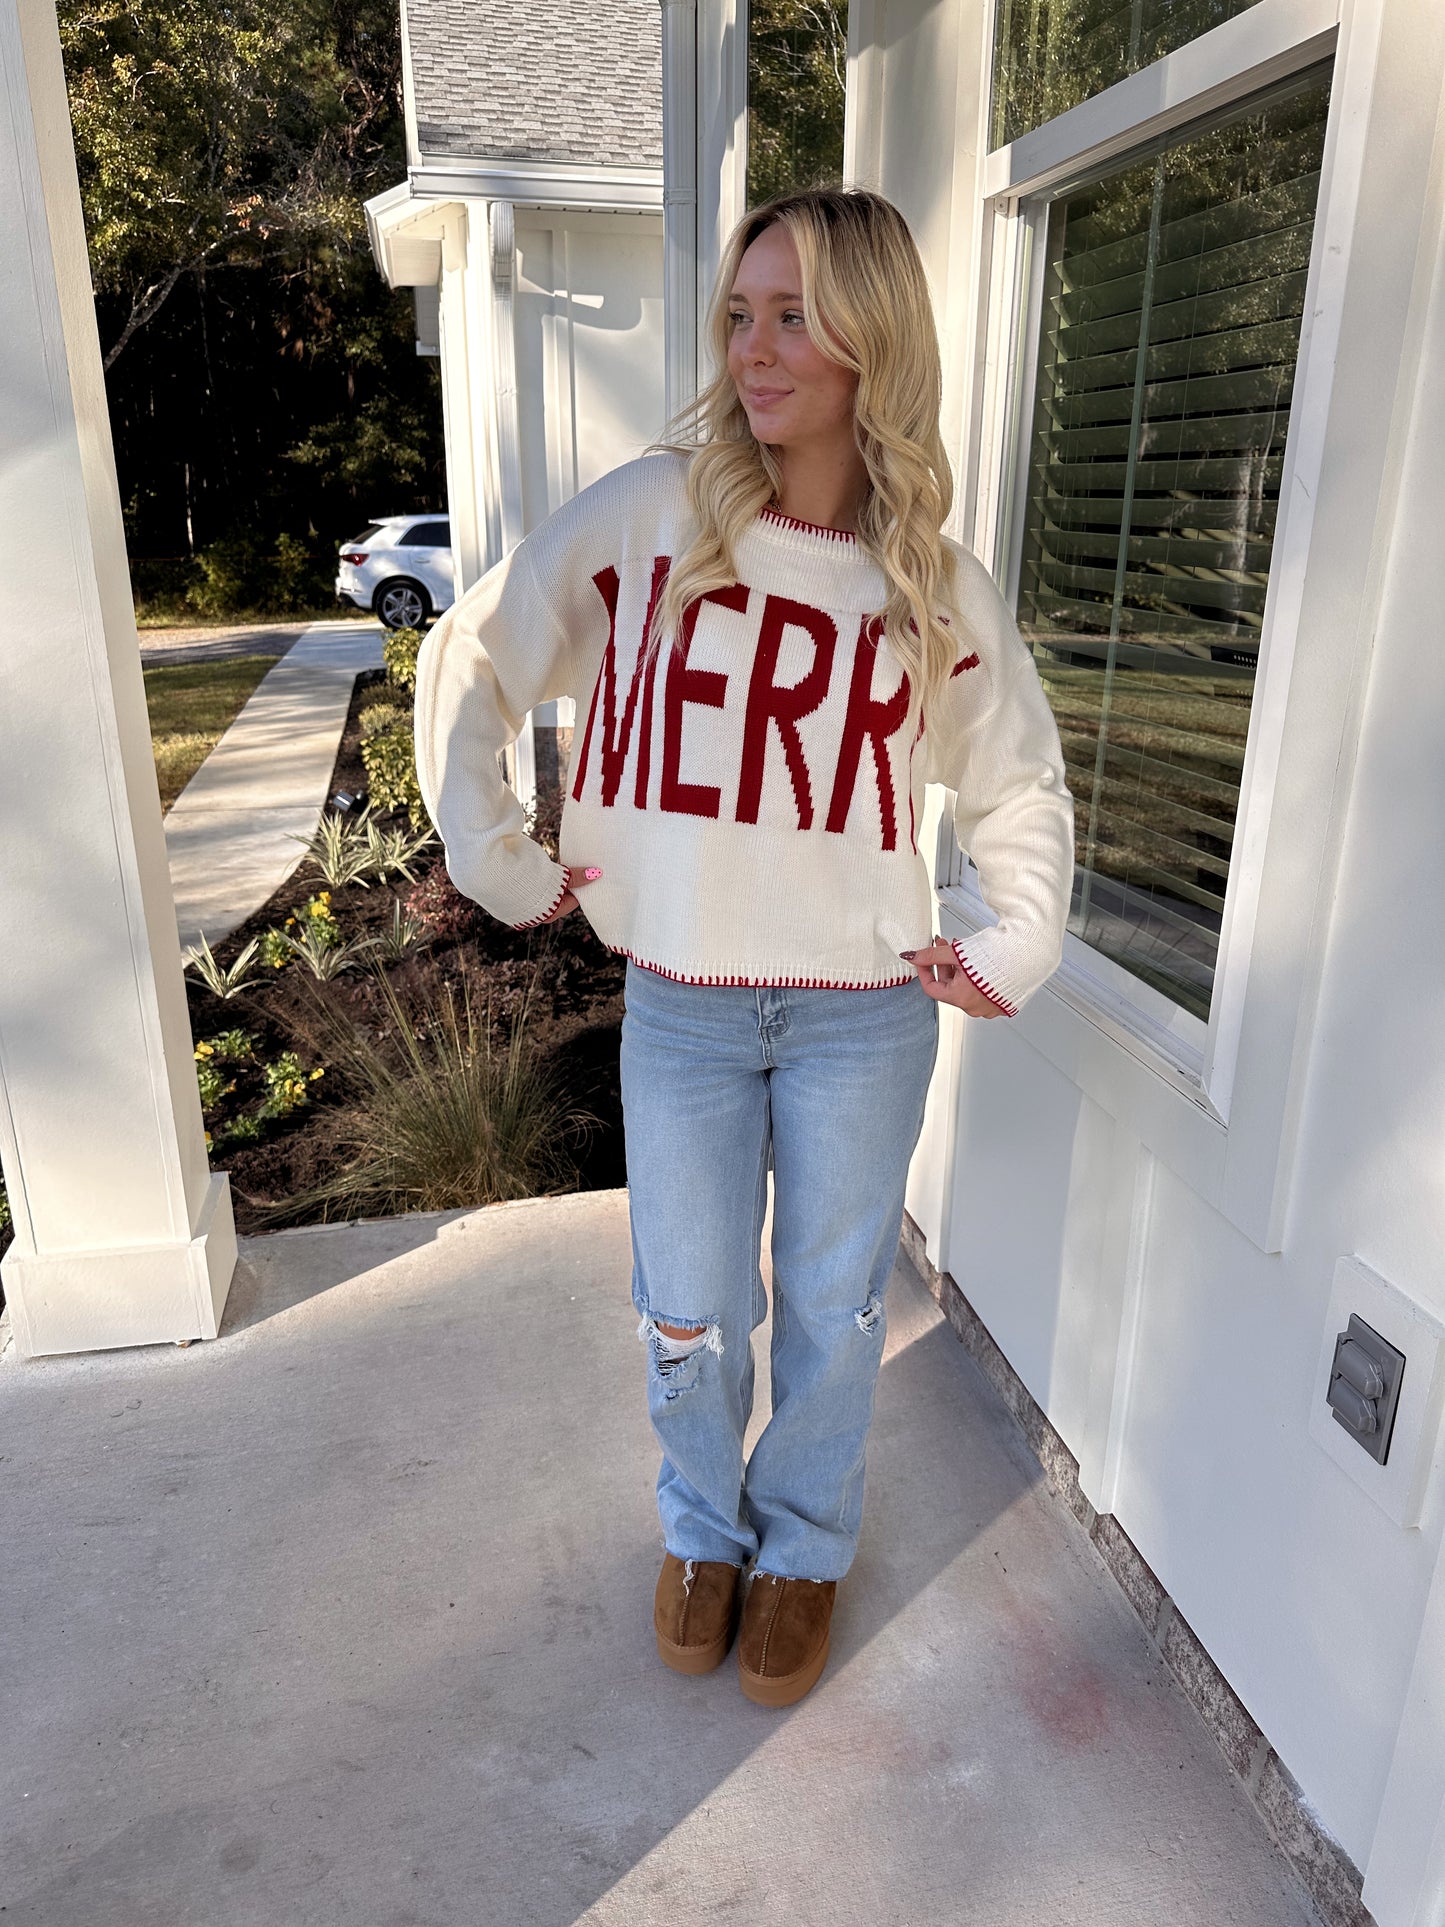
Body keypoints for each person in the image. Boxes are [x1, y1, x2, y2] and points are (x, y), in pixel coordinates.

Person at [413, 184, 1075, 1709]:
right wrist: (500, 858)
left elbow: (1016, 777)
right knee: (689, 1310)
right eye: (739, 313)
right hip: (687, 1006)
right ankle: (701, 1528)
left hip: (859, 1017)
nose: (752, 350)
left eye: (792, 317)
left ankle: (799, 1550)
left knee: (836, 1314)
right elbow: (480, 647)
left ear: (869, 342)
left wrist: (1012, 938)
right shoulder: (649, 517)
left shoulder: (930, 583)